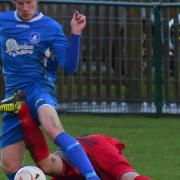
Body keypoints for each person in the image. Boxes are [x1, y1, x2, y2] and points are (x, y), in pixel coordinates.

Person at [0, 0, 100, 179]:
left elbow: (69, 67)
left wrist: (75, 33)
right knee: (9, 165)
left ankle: (93, 177)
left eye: (29, 2)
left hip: (40, 89)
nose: (24, 7)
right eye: (20, 3)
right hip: (14, 99)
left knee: (51, 126)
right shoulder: (3, 21)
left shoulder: (50, 27)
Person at [0, 95, 152, 180]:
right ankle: (23, 110)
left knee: (46, 165)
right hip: (95, 147)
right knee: (127, 176)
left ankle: (23, 110)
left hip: (90, 147)